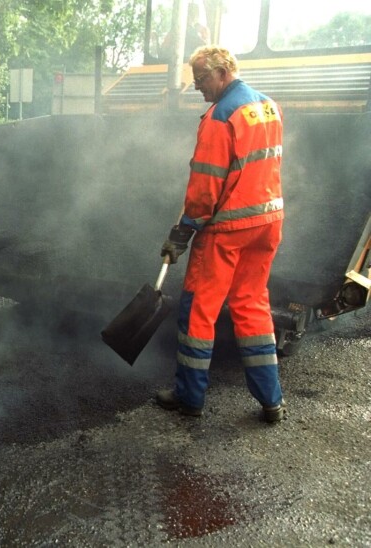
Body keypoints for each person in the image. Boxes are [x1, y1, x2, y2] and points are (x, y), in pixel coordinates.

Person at [155, 46, 286, 423]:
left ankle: (189, 397)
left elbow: (205, 189)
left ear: (223, 72)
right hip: (267, 223)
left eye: (201, 79)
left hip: (228, 229)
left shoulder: (220, 117)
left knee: (199, 310)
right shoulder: (268, 107)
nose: (197, 86)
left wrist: (183, 231)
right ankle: (271, 401)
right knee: (252, 306)